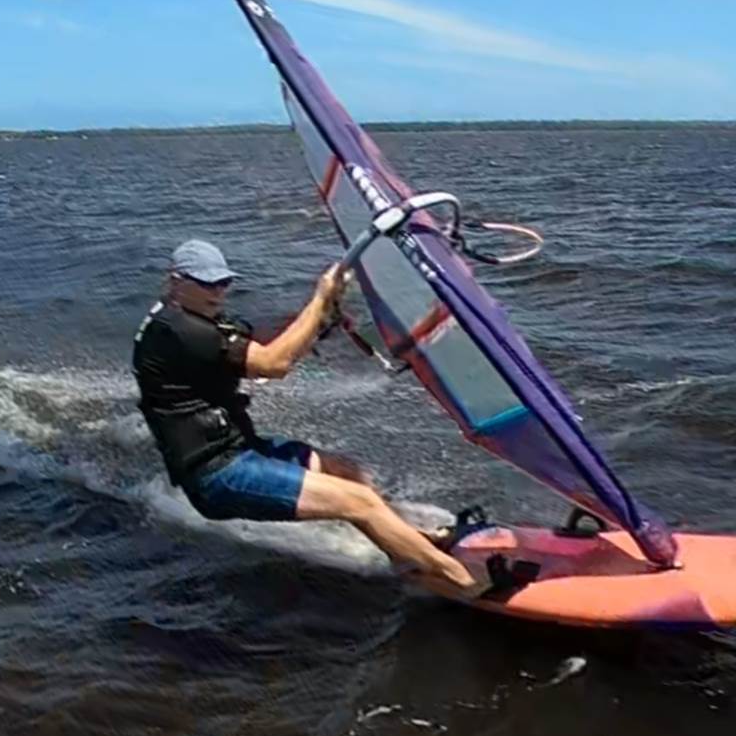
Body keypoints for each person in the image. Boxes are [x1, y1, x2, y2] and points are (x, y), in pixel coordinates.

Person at [131, 238, 478, 595]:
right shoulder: (179, 331)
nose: (217, 292)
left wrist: (321, 319)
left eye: (223, 282)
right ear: (176, 281)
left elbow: (270, 345)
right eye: (206, 283)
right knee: (358, 503)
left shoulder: (199, 321)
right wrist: (320, 298)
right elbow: (274, 363)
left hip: (244, 451)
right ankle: (462, 578)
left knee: (344, 472)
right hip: (218, 474)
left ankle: (407, 550)